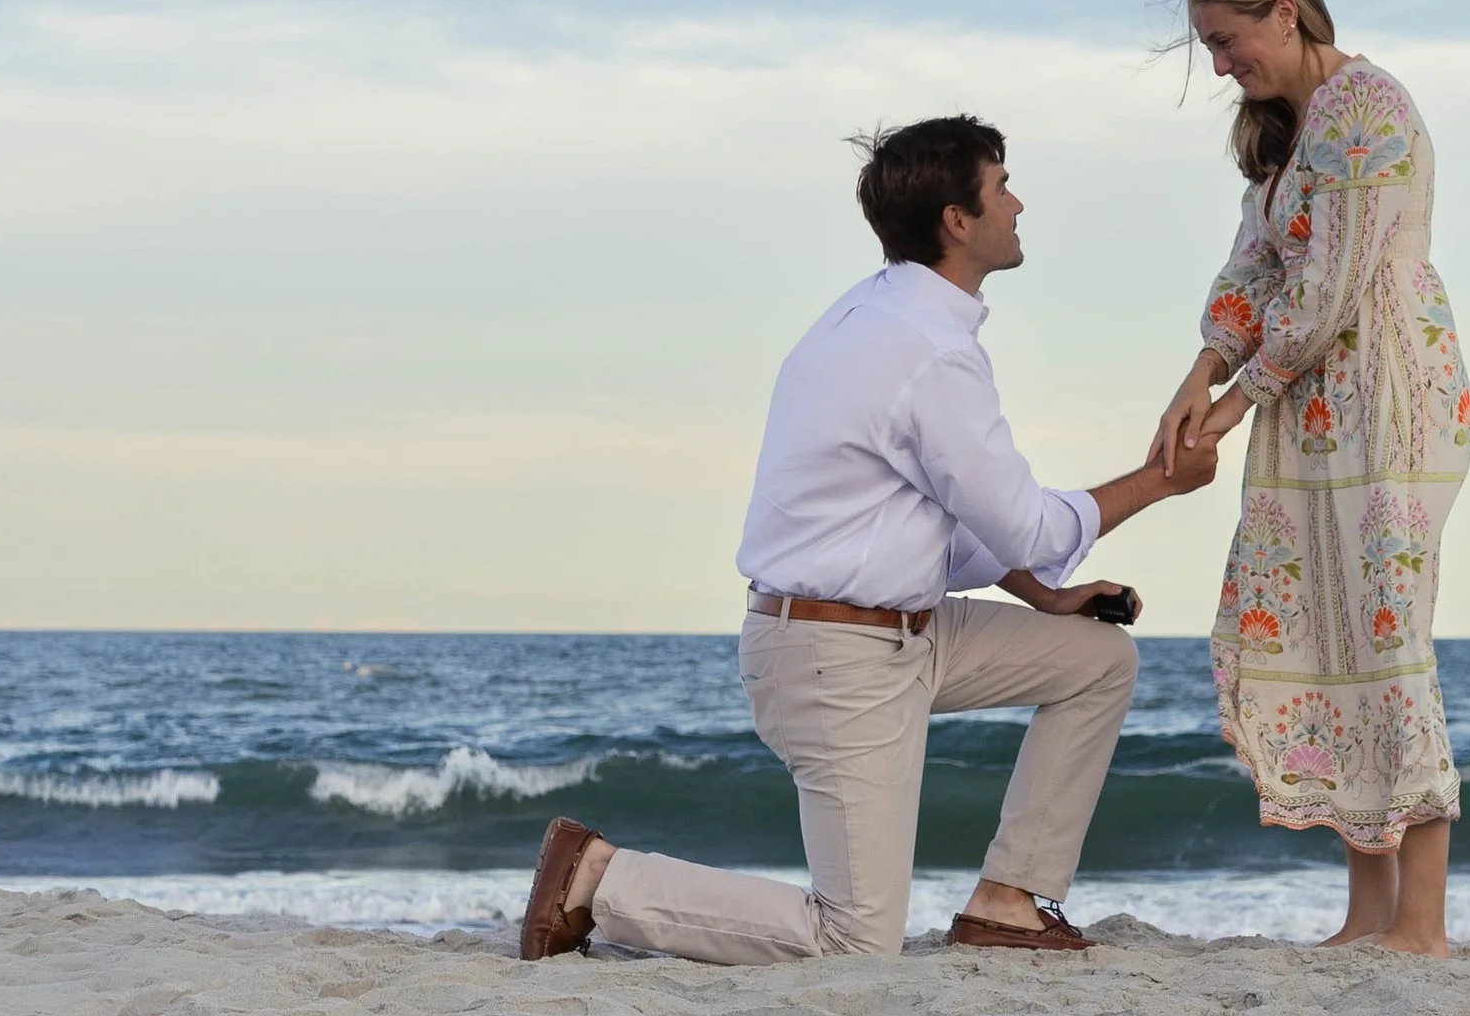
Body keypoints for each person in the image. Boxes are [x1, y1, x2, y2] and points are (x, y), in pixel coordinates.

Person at [520, 114, 1220, 963]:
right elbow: (1028, 525)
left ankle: (1007, 899)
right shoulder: (926, 353)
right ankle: (600, 878)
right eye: (1002, 186)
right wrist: (1162, 481)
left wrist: (1048, 594)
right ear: (958, 221)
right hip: (834, 653)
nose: (1019, 202)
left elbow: (943, 522)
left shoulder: (877, 315)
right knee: (855, 942)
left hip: (900, 631)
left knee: (1096, 660)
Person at [1152, 0, 1470, 958]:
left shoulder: (1368, 108)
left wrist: (1245, 391)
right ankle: (1366, 911)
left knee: (1385, 632)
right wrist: (1200, 373)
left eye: (1225, 38)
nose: (1219, 64)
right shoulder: (1285, 131)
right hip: (1312, 395)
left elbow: (1334, 282)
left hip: (1385, 391)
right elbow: (1255, 260)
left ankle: (1419, 921)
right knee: (1327, 630)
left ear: (1284, 11)